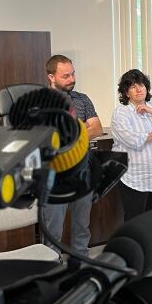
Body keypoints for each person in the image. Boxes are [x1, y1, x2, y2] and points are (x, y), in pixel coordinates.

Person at [42, 54, 103, 256]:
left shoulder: (82, 99)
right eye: (65, 76)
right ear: (51, 77)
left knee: (81, 227)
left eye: (73, 74)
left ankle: (82, 266)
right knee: (53, 231)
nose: (72, 79)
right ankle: (52, 271)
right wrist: (83, 126)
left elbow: (98, 128)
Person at [110, 69, 152, 231]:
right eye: (133, 87)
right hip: (135, 178)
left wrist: (151, 111)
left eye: (141, 85)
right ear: (126, 93)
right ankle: (134, 257)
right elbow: (134, 140)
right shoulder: (121, 113)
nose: (139, 89)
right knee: (135, 224)